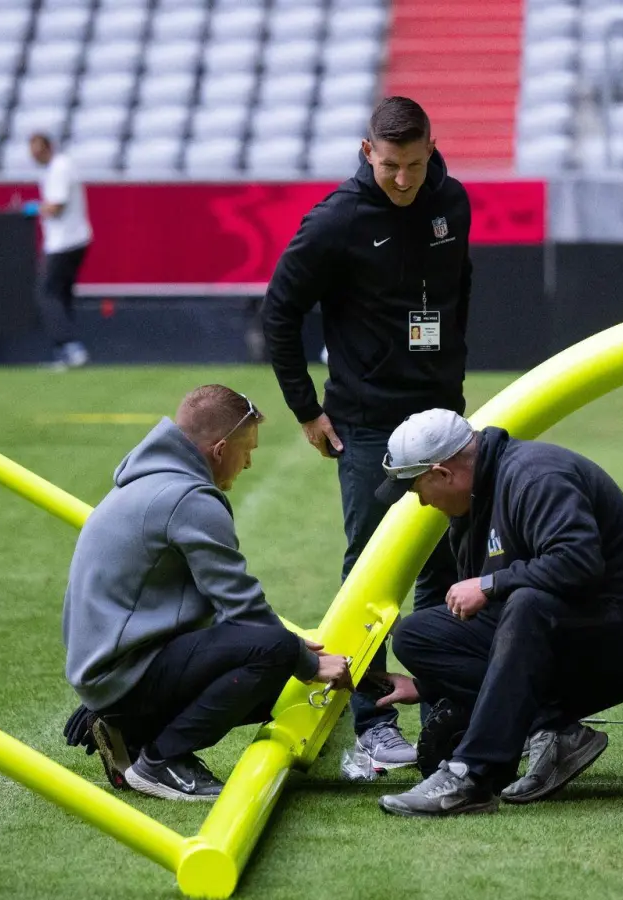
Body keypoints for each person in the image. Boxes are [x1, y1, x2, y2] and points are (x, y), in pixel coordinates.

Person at [261, 97, 473, 769]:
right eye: (390, 167)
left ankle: (445, 703)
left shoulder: (453, 203)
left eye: (414, 164)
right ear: (366, 153)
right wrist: (305, 410)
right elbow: (280, 311)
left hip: (440, 415)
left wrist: (453, 386)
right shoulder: (336, 221)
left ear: (432, 147)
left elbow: (457, 295)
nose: (404, 180)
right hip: (365, 420)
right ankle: (370, 725)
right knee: (373, 567)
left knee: (444, 564)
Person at [367, 410, 623, 817]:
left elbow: (578, 562)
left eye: (417, 489)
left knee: (526, 602)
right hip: (559, 628)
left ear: (443, 474)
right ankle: (553, 730)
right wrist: (430, 685)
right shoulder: (475, 500)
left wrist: (488, 585)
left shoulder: (535, 476)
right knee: (416, 635)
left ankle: (472, 778)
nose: (422, 500)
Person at [60, 384, 352, 801]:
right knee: (274, 651)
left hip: (110, 667)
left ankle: (132, 730)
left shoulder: (144, 482)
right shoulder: (190, 499)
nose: (249, 462)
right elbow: (242, 606)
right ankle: (162, 760)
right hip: (121, 671)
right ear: (219, 449)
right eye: (246, 450)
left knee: (275, 671)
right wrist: (306, 662)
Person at [28, 133, 92, 369]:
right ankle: (65, 351)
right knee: (61, 294)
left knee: (47, 293)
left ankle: (70, 346)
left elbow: (55, 207)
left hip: (64, 242)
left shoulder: (59, 168)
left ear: (49, 148)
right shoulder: (56, 168)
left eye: (38, 152)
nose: (36, 157)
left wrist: (35, 208)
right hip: (75, 239)